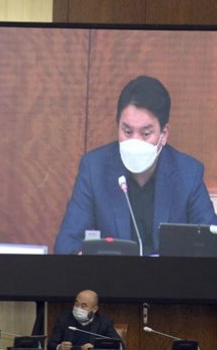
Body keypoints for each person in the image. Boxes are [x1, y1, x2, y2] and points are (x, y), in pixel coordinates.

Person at [55, 75, 217, 255]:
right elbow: (66, 244)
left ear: (163, 134)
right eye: (127, 132)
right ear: (118, 127)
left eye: (146, 134)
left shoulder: (188, 174)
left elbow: (212, 243)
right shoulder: (94, 169)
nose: (135, 141)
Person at [47, 289, 123, 350]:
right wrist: (59, 347)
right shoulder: (64, 319)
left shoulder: (104, 322)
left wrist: (95, 349)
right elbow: (50, 345)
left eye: (83, 306)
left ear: (94, 309)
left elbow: (120, 346)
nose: (78, 308)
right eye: (76, 304)